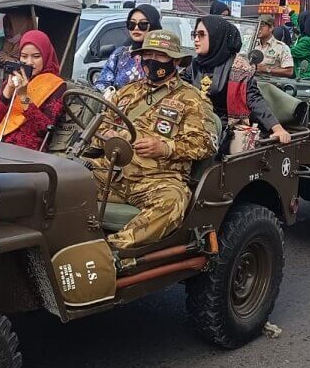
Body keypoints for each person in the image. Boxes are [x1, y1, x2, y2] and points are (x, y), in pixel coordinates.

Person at [91, 30, 216, 249]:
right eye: (147, 55)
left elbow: (206, 143)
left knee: (173, 202)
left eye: (160, 56)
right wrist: (106, 136)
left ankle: (112, 250)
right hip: (113, 173)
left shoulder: (192, 99)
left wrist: (165, 147)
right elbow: (101, 125)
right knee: (65, 179)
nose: (151, 61)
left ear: (175, 61)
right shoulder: (126, 92)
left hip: (158, 179)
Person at [185, 15, 293, 146]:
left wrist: (277, 129)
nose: (196, 39)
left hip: (223, 132)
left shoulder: (239, 68)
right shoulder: (194, 65)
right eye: (194, 34)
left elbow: (254, 99)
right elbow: (178, 87)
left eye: (201, 35)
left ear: (216, 37)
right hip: (191, 123)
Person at [0, 30, 65, 151]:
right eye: (24, 56)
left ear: (46, 56)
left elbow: (44, 128)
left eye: (36, 56)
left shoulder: (55, 84)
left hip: (26, 150)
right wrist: (8, 90)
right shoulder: (15, 78)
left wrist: (24, 97)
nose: (29, 62)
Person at [95, 4, 161, 92]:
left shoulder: (163, 55)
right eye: (131, 24)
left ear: (154, 25)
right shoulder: (119, 54)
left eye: (143, 24)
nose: (136, 28)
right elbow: (101, 84)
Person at [0, 10, 37, 94]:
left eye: (11, 27)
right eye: (5, 26)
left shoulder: (28, 45)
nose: (7, 30)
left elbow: (31, 68)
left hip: (16, 93)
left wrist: (12, 61)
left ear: (21, 27)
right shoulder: (0, 42)